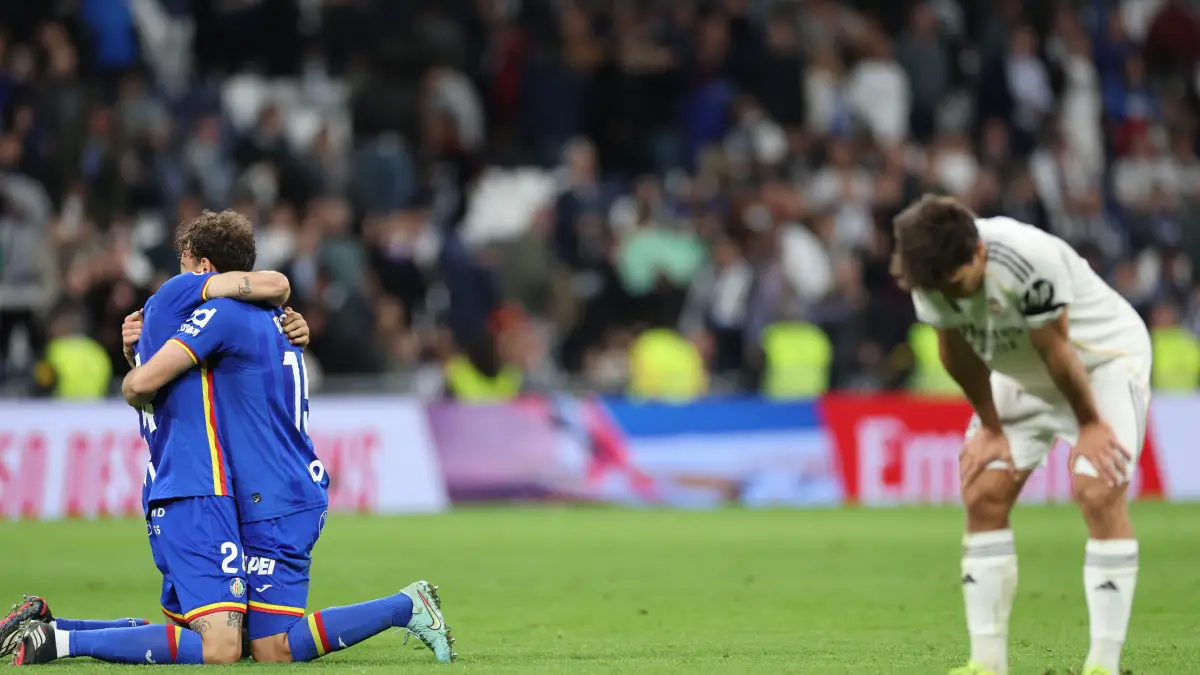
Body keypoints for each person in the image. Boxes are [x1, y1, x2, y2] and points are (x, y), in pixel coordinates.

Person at [9, 211, 455, 665]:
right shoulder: (274, 318)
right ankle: (55, 630)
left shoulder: (220, 312)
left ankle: (407, 605)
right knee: (234, 640)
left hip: (274, 493)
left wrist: (135, 372)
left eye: (184, 265)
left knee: (262, 647)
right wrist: (136, 350)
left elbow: (151, 382)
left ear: (202, 267)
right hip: (249, 491)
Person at [891, 195, 1150, 675]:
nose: (954, 293)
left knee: (1097, 489)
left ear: (979, 253)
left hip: (1099, 363)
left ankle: (1103, 664)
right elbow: (956, 353)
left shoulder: (1028, 258)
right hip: (1020, 375)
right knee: (983, 491)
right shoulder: (929, 269)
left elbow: (1057, 351)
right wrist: (990, 426)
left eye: (960, 282)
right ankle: (986, 663)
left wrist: (1092, 426)